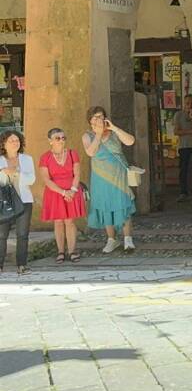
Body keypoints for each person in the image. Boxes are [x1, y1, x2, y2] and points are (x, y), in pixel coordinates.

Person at [83, 106, 137, 254]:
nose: (98, 120)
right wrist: (99, 135)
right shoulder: (87, 136)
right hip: (101, 176)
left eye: (101, 116)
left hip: (118, 175)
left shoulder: (113, 132)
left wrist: (114, 128)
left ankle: (127, 239)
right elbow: (91, 152)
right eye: (95, 117)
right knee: (105, 206)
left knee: (122, 205)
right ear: (90, 121)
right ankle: (111, 239)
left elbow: (130, 141)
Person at [39, 128, 86, 265]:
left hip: (72, 190)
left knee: (70, 222)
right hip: (55, 193)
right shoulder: (45, 157)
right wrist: (63, 192)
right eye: (57, 138)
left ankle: (72, 251)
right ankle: (60, 251)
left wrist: (72, 190)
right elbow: (47, 180)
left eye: (63, 138)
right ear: (50, 141)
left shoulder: (72, 154)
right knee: (58, 222)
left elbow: (77, 174)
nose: (61, 140)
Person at [0, 130, 35, 274]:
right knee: (1, 235)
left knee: (22, 234)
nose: (15, 143)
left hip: (24, 200)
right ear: (4, 144)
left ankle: (22, 265)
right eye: (11, 140)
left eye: (17, 140)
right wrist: (3, 172)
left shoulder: (27, 159)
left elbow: (32, 179)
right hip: (4, 202)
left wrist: (16, 172)